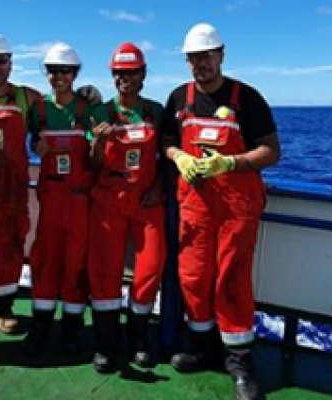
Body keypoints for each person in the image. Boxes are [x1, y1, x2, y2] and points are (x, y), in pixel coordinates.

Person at [160, 22, 281, 400]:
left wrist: (230, 163)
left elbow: (271, 151)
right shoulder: (179, 98)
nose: (201, 64)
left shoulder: (247, 98)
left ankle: (240, 362)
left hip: (235, 207)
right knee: (193, 278)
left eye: (207, 56)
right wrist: (177, 155)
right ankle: (202, 346)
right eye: (194, 58)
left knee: (231, 278)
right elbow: (165, 138)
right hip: (195, 206)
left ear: (221, 55)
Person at [88, 42, 166, 373]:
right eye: (119, 73)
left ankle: (138, 338)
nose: (125, 78)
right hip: (109, 196)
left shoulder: (156, 111)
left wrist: (160, 186)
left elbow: (169, 154)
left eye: (131, 72)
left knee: (149, 267)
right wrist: (99, 143)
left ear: (143, 74)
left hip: (147, 198)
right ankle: (107, 343)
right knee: (105, 269)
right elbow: (90, 166)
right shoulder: (100, 112)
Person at [22, 43, 95, 355]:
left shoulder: (88, 108)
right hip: (50, 199)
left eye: (65, 71)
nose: (58, 76)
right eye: (52, 70)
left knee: (76, 265)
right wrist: (35, 149)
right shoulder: (37, 111)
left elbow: (98, 156)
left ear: (75, 74)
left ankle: (71, 329)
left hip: (80, 201)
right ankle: (40, 327)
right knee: (44, 262)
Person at [0, 31, 41, 334]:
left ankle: (2, 308)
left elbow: (59, 113)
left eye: (0, 61)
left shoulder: (26, 97)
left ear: (10, 64)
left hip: (10, 192)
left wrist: (86, 101)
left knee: (8, 248)